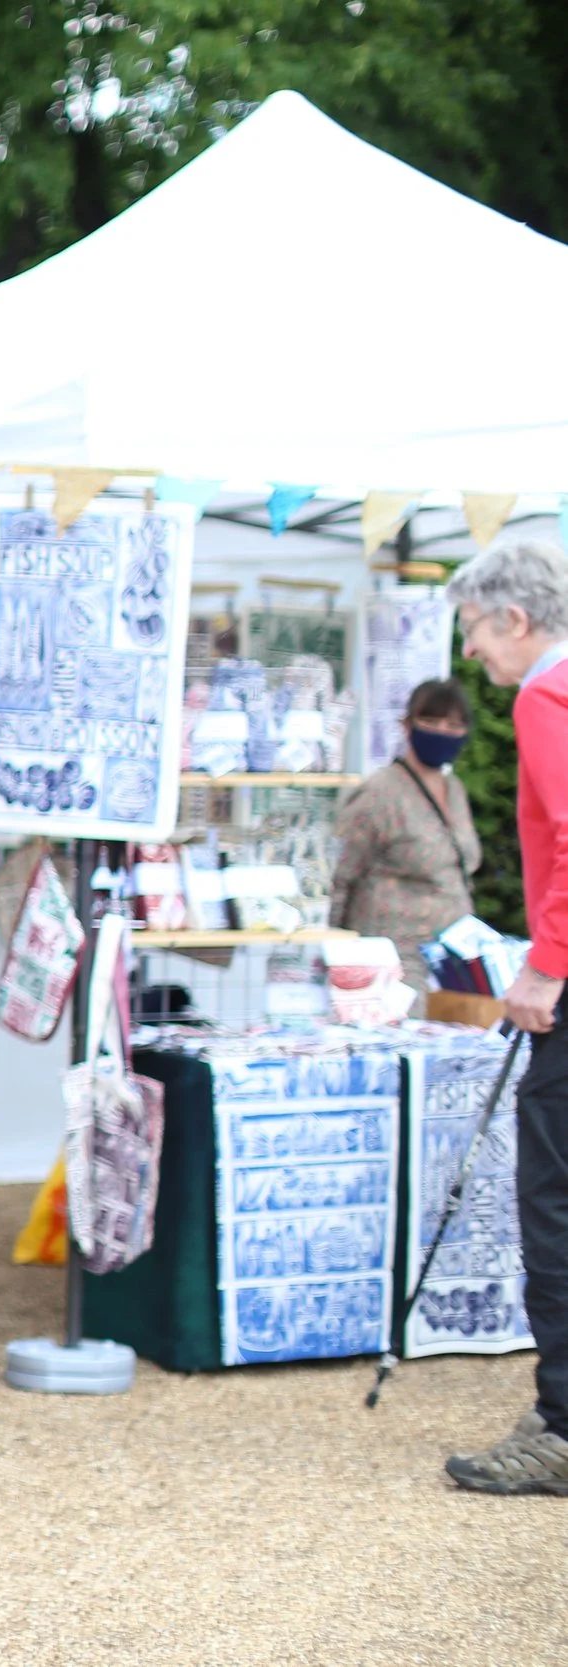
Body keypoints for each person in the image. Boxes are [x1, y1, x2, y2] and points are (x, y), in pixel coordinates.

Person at [444, 538, 568, 1493]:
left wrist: (546, 967)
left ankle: (561, 1425)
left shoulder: (545, 694)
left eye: (476, 633)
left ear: (514, 619)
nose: (472, 654)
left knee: (553, 1195)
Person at [328, 678, 480, 992]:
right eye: (430, 721)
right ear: (407, 725)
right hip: (395, 961)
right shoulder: (380, 792)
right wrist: (333, 948)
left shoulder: (455, 790)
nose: (442, 732)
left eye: (453, 725)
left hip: (452, 959)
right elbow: (340, 873)